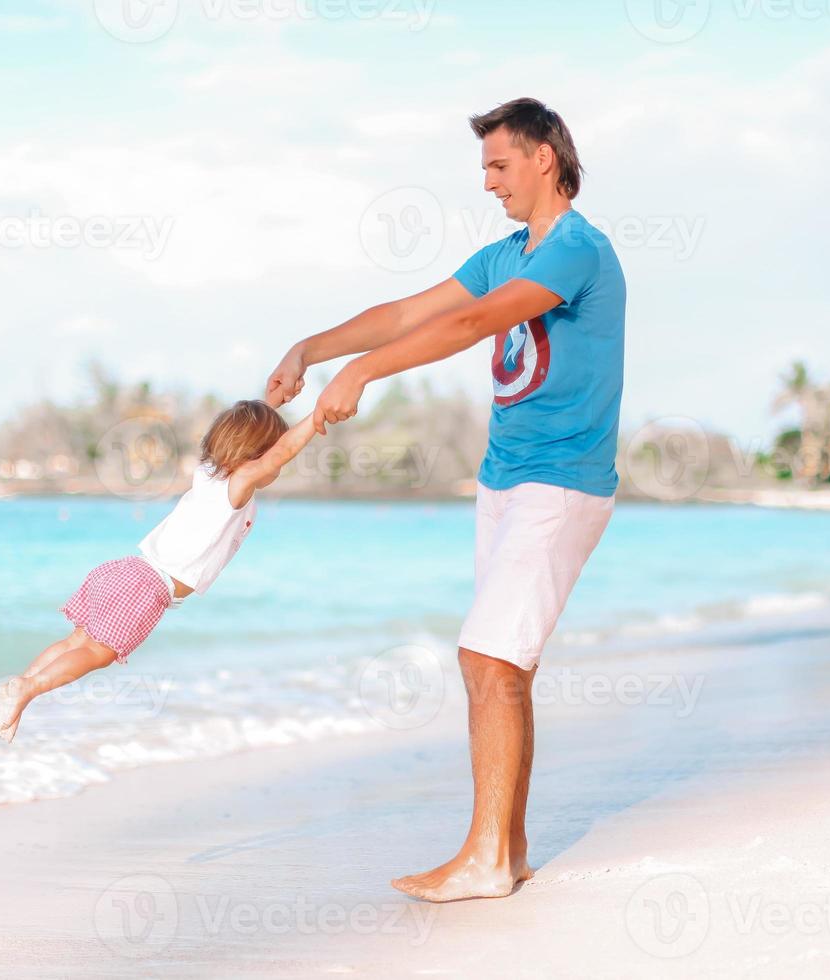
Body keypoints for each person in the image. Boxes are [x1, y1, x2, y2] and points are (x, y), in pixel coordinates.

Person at [265, 97, 625, 902]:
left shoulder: (577, 250)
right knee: (506, 667)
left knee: (485, 657)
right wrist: (314, 349)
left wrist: (364, 374)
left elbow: (473, 323)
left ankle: (483, 860)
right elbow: (410, 310)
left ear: (543, 157)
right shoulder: (504, 251)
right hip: (505, 482)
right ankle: (510, 849)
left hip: (560, 483)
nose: (490, 183)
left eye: (499, 166)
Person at [0, 402, 315, 742]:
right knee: (97, 654)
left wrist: (270, 405)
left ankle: (19, 687)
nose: (281, 463)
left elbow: (253, 435)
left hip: (126, 569)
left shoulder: (208, 473)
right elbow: (277, 455)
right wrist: (319, 415)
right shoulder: (236, 487)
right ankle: (28, 689)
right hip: (148, 586)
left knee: (77, 642)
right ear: (255, 454)